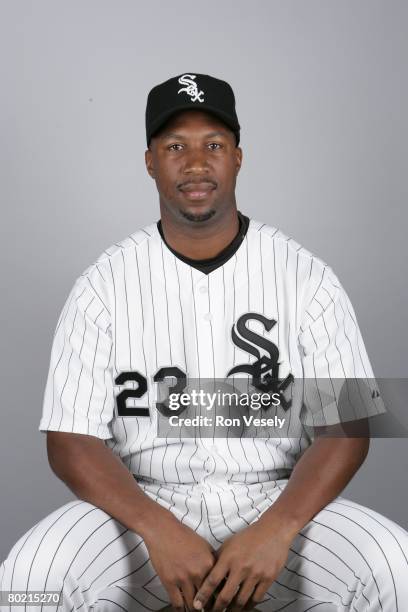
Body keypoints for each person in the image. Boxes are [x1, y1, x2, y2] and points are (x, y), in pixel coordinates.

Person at [1, 72, 407, 612]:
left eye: (213, 144)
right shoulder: (103, 283)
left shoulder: (306, 276)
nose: (196, 163)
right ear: (150, 161)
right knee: (27, 582)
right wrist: (155, 527)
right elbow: (69, 439)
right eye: (175, 147)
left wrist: (279, 527)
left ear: (238, 156)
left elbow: (349, 428)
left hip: (277, 505)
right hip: (140, 510)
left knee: (397, 570)